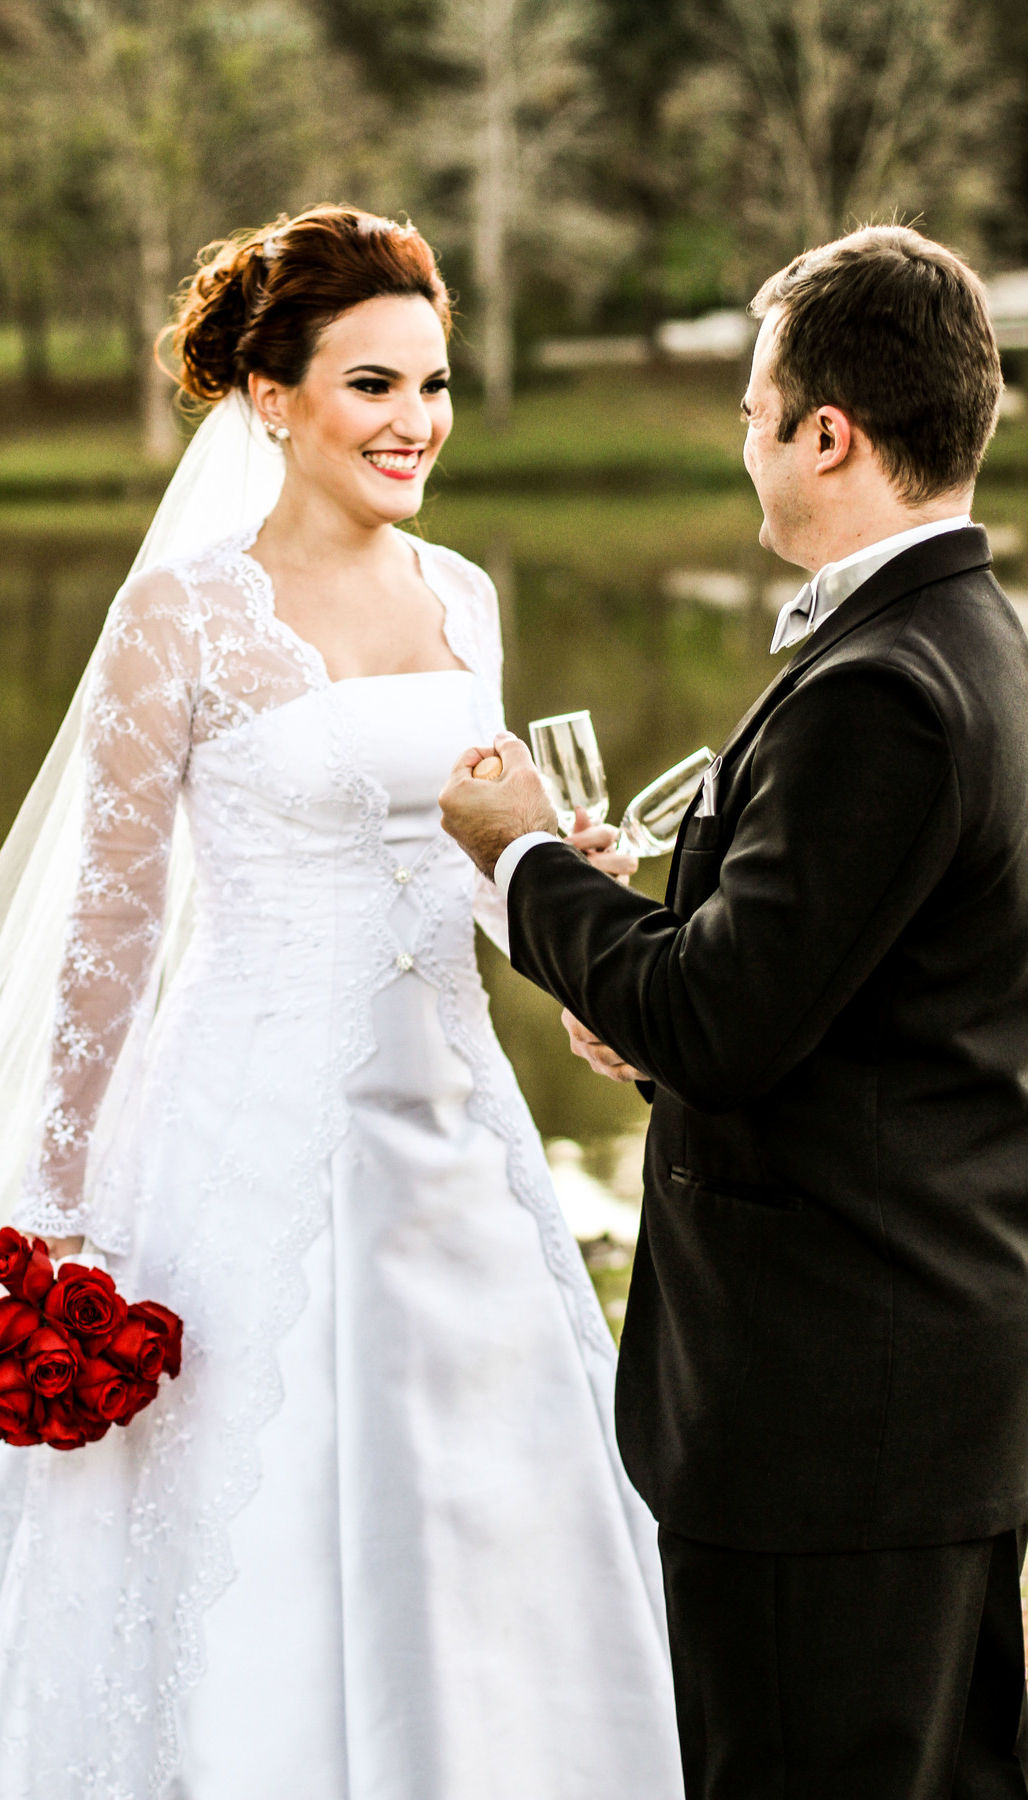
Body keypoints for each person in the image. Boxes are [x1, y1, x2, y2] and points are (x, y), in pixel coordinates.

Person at [0, 206, 683, 1800]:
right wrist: (64, 1215)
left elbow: (465, 874)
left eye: (434, 384)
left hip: (450, 1145)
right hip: (243, 1141)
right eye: (374, 384)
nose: (417, 422)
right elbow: (109, 931)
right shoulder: (182, 620)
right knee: (245, 1525)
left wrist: (561, 889)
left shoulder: (466, 596)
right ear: (273, 396)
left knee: (490, 1500)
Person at [439, 223, 1028, 1799]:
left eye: (754, 408)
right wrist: (659, 997)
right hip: (925, 1392)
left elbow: (725, 1018)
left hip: (827, 1419)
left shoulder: (884, 686)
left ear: (827, 433)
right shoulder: (982, 647)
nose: (743, 442)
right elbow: (845, 1002)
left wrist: (519, 867)